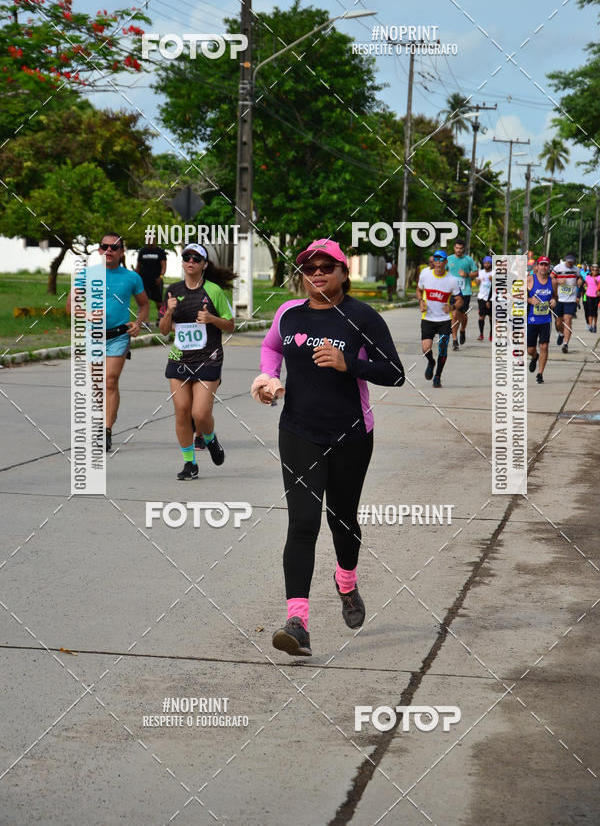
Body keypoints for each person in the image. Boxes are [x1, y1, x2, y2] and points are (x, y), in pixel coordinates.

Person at [251, 239, 405, 656]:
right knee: (303, 523)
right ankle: (297, 622)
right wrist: (269, 378)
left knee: (342, 519)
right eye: (309, 268)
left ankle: (347, 583)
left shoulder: (362, 317)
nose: (316, 273)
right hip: (299, 431)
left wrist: (348, 364)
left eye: (326, 267)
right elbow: (271, 348)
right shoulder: (289, 313)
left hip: (351, 433)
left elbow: (394, 373)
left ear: (342, 273)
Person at [159, 243, 235, 480]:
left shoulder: (213, 291)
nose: (190, 261)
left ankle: (211, 439)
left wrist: (212, 319)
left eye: (196, 258)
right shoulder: (172, 290)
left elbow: (230, 324)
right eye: (186, 257)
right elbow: (163, 331)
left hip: (208, 359)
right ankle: (189, 463)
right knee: (182, 411)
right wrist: (169, 312)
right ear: (182, 262)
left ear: (204, 264)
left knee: (200, 414)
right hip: (179, 359)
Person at [66, 233, 149, 451]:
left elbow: (144, 305)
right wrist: (86, 315)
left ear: (122, 252)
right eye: (104, 247)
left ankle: (107, 430)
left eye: (114, 248)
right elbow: (70, 307)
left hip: (118, 336)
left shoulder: (132, 278)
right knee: (98, 384)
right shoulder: (86, 275)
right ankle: (106, 415)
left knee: (110, 380)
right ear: (99, 250)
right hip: (93, 336)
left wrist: (138, 323)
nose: (109, 251)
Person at [416, 249, 463, 387]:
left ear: (445, 262)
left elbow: (460, 300)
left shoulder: (452, 280)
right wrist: (421, 301)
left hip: (443, 319)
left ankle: (438, 376)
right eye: (435, 259)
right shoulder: (425, 275)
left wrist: (453, 307)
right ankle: (431, 362)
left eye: (441, 259)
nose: (437, 261)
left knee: (443, 348)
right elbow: (419, 290)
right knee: (426, 349)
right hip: (428, 318)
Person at [527, 256, 556, 384]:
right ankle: (535, 357)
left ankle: (540, 374)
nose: (544, 267)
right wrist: (529, 300)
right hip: (532, 319)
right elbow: (516, 294)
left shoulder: (553, 281)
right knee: (530, 349)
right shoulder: (529, 279)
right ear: (537, 266)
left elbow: (556, 296)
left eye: (546, 265)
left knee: (544, 346)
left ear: (548, 267)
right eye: (541, 264)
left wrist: (554, 300)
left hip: (546, 319)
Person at [447, 238, 478, 350]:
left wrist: (466, 275)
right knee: (454, 314)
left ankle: (463, 330)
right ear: (454, 248)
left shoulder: (468, 260)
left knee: (463, 315)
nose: (459, 250)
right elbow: (443, 272)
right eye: (457, 248)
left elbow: (476, 272)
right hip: (452, 292)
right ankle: (454, 340)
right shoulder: (448, 259)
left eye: (461, 248)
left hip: (465, 291)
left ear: (463, 249)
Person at [552, 252, 583, 353]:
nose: (570, 264)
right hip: (559, 298)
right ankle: (561, 334)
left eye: (572, 262)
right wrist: (558, 281)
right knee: (558, 322)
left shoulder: (576, 269)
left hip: (570, 299)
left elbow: (580, 278)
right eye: (568, 262)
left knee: (568, 320)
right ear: (565, 259)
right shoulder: (557, 268)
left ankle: (565, 344)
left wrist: (579, 281)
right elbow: (550, 279)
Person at [136, 240, 167, 326]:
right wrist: (136, 277)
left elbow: (163, 266)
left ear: (155, 240)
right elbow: (138, 266)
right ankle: (145, 321)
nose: (150, 241)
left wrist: (161, 276)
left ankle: (161, 318)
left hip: (156, 280)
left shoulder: (160, 251)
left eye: (152, 239)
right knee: (145, 301)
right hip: (144, 280)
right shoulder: (142, 251)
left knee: (159, 302)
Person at [476, 255, 494, 341]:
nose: (486, 264)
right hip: (481, 297)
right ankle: (481, 334)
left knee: (491, 317)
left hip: (491, 298)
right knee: (481, 316)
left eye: (488, 263)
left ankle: (491, 334)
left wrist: (493, 281)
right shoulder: (481, 272)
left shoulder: (494, 273)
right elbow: (477, 283)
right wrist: (477, 281)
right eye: (485, 263)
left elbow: (497, 285)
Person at [585, 264, 600, 332]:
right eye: (593, 270)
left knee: (595, 311)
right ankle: (590, 325)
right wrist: (585, 287)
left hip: (596, 296)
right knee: (590, 311)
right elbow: (585, 284)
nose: (595, 271)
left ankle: (595, 325)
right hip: (589, 295)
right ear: (591, 270)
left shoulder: (599, 277)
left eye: (596, 270)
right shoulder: (588, 277)